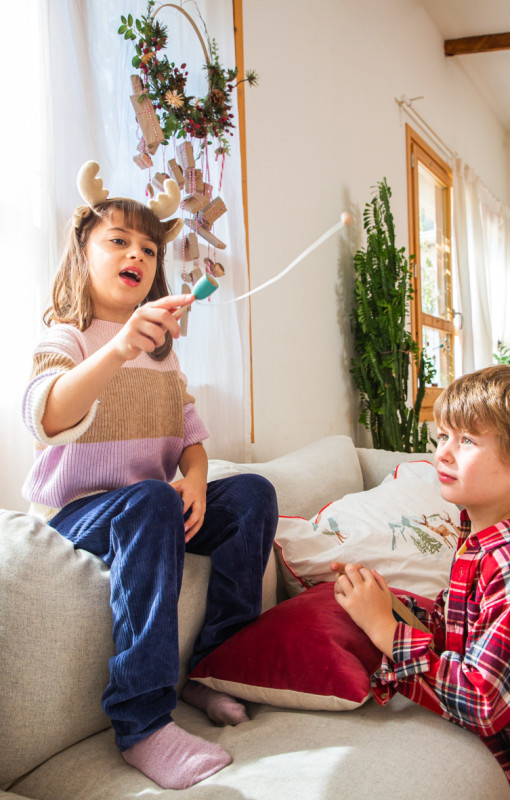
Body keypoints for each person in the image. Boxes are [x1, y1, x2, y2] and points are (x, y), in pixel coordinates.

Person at [21, 164, 278, 790]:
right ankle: (141, 719)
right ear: (82, 254)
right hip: (81, 513)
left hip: (155, 508)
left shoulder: (164, 352)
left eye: (147, 247)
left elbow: (190, 433)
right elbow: (45, 415)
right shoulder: (69, 337)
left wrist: (195, 477)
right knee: (148, 502)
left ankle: (215, 667)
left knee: (252, 494)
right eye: (117, 240)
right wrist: (117, 350)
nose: (136, 252)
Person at [332, 365, 510, 800]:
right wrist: (388, 603)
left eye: (468, 441)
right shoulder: (475, 539)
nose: (443, 453)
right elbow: (457, 632)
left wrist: (386, 630)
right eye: (443, 437)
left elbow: (485, 703)